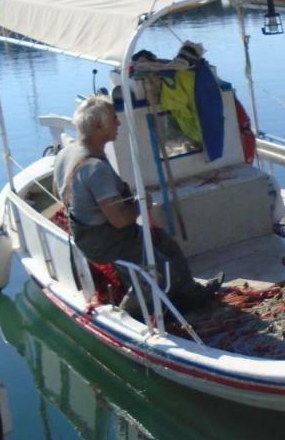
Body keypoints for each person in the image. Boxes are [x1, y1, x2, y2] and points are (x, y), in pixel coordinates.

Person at [53, 94, 218, 315]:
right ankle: (132, 313)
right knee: (161, 269)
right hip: (107, 241)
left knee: (166, 244)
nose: (119, 123)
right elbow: (120, 221)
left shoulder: (66, 153)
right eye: (114, 119)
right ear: (99, 125)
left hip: (88, 236)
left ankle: (190, 294)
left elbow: (58, 191)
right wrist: (141, 204)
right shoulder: (95, 169)